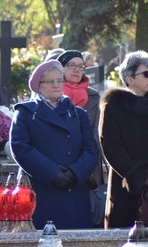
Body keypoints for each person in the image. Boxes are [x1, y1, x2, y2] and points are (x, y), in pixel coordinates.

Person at [10, 60, 98, 230]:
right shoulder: (26, 112)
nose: (56, 85)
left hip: (75, 191)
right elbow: (21, 148)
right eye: (50, 81)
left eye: (59, 80)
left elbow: (91, 150)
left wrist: (74, 172)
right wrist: (53, 173)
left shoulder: (78, 114)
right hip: (43, 190)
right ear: (38, 85)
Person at [100, 51, 148, 229]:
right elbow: (112, 148)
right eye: (145, 74)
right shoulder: (113, 107)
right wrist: (141, 175)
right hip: (126, 190)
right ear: (130, 79)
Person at [57, 50, 105, 196]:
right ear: (60, 68)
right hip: (57, 165)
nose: (77, 70)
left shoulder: (94, 97)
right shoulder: (51, 93)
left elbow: (96, 135)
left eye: (80, 66)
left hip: (86, 167)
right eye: (71, 65)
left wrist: (85, 166)